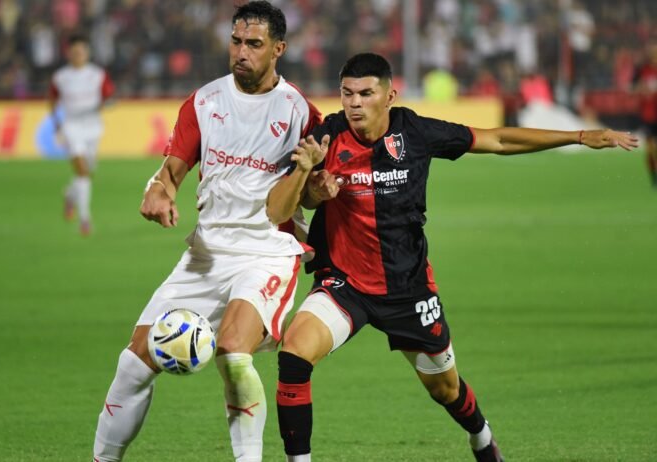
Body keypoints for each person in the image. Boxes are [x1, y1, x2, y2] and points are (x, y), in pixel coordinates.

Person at [266, 52, 638, 462]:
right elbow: (286, 207)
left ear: (389, 96)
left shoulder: (416, 132)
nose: (354, 103)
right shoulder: (326, 137)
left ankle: (481, 436)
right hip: (345, 284)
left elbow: (496, 140)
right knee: (294, 355)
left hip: (409, 289)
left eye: (365, 93)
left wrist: (579, 136)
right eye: (347, 93)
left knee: (445, 389)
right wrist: (311, 187)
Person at [92, 2, 320, 461]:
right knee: (134, 362)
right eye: (235, 42)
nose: (241, 52)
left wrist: (319, 188)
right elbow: (170, 172)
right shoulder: (204, 102)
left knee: (233, 352)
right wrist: (158, 192)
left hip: (266, 252)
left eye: (253, 44)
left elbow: (312, 193)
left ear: (278, 49)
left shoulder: (301, 112)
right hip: (207, 253)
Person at [49, 33, 115, 236]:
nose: (78, 55)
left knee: (87, 171)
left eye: (81, 51)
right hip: (72, 127)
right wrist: (57, 125)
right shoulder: (60, 77)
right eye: (74, 52)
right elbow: (52, 100)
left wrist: (106, 103)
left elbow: (109, 96)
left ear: (87, 53)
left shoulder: (97, 75)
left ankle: (70, 195)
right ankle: (85, 219)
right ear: (68, 53)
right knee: (82, 171)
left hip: (92, 127)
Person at [634, 43, 657, 188]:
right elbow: (632, 88)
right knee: (650, 148)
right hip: (648, 115)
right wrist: (641, 89)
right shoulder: (643, 70)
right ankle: (653, 176)